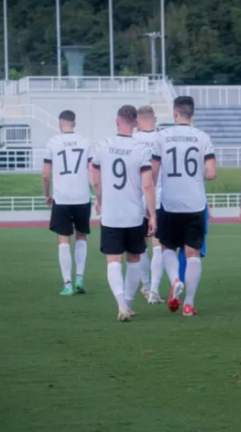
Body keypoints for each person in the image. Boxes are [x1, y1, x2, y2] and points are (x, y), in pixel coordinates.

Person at [151, 96, 216, 317]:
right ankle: (188, 303)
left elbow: (153, 172)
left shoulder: (163, 136)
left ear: (175, 112)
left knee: (167, 246)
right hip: (195, 202)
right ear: (192, 113)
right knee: (193, 253)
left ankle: (175, 280)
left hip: (170, 201)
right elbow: (212, 173)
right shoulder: (202, 137)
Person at [91, 105, 157, 321]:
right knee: (135, 258)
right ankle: (128, 304)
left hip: (111, 212)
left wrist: (99, 199)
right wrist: (152, 214)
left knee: (113, 260)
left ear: (116, 121)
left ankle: (120, 304)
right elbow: (147, 185)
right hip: (133, 213)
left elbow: (96, 178)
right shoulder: (141, 149)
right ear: (136, 122)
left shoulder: (103, 146)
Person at [43, 110, 92, 296]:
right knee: (81, 236)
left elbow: (46, 174)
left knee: (63, 238)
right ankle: (80, 277)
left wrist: (47, 194)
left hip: (62, 197)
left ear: (59, 123)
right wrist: (98, 194)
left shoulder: (53, 143)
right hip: (82, 196)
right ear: (74, 123)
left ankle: (68, 283)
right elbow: (93, 172)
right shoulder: (85, 142)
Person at [132, 105, 164, 303]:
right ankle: (154, 290)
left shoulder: (133, 140)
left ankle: (145, 285)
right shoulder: (162, 138)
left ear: (137, 121)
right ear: (155, 118)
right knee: (158, 245)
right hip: (159, 196)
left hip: (136, 197)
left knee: (140, 246)